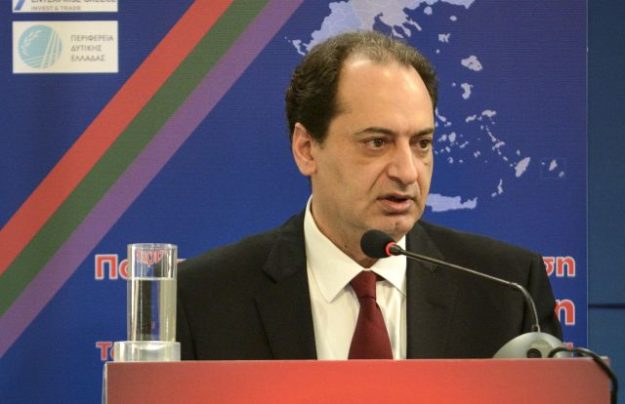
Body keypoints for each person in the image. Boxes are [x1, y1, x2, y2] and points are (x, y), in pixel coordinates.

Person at [176, 30, 562, 360]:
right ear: (306, 148)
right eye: (377, 142)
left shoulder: (508, 291)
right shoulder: (204, 297)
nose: (407, 172)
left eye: (422, 143)